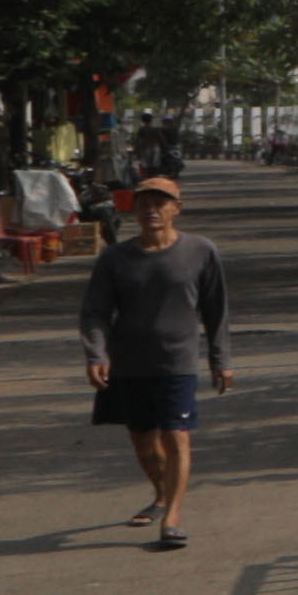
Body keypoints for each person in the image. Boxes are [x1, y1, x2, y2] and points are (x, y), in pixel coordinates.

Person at [73, 173, 232, 549]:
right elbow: (95, 310)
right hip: (127, 363)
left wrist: (220, 358)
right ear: (133, 209)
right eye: (144, 203)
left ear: (176, 208)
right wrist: (95, 353)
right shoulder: (115, 258)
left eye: (161, 203)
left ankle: (173, 517)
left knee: (177, 436)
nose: (152, 210)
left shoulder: (200, 250)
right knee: (143, 440)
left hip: (177, 362)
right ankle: (160, 494)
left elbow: (216, 310)